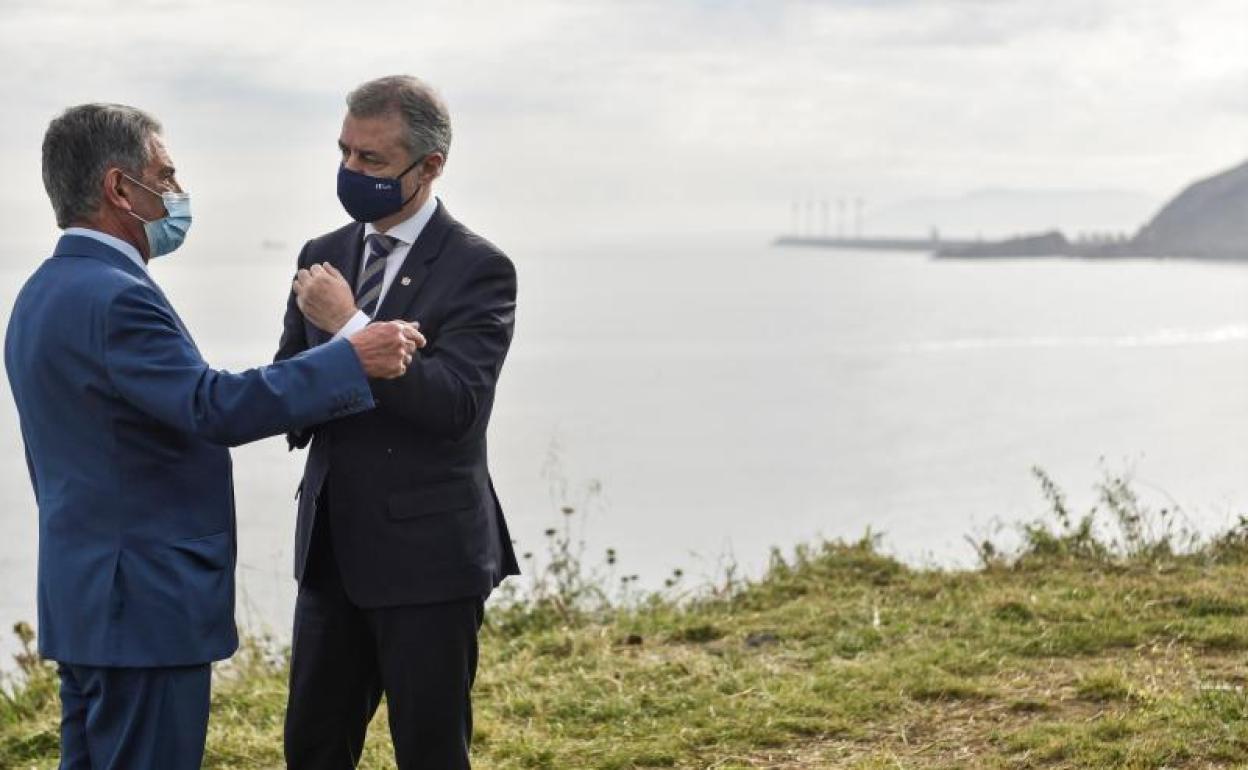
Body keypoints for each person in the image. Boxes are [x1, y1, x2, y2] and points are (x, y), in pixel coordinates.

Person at [4, 103, 423, 770]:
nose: (176, 193)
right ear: (119, 189)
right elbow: (213, 406)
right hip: (144, 607)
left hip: (85, 601)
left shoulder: (40, 294)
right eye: (164, 177)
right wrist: (351, 355)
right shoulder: (118, 296)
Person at [277, 75, 519, 769]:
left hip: (430, 559)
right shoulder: (320, 254)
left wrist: (350, 327)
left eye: (372, 162)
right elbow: (289, 387)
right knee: (312, 750)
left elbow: (456, 408)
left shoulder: (480, 267)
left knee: (431, 752)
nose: (351, 172)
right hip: (331, 552)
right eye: (345, 154)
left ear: (430, 166)